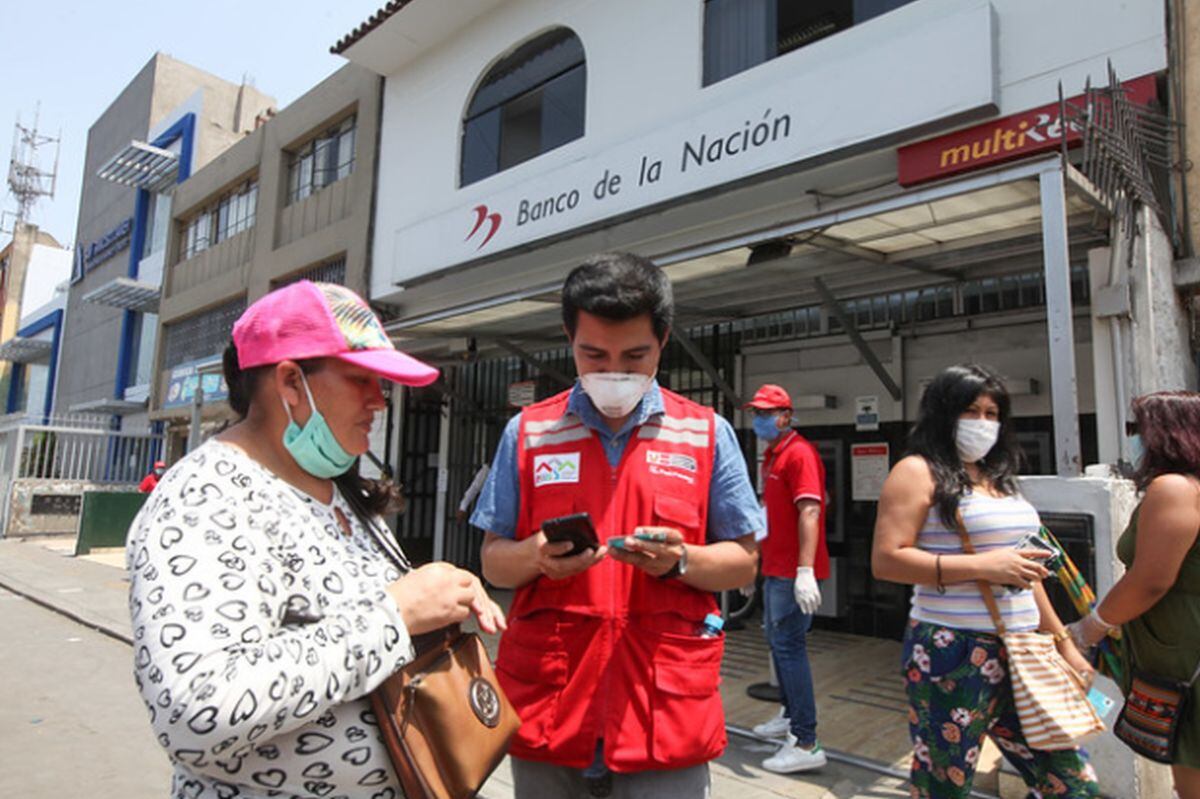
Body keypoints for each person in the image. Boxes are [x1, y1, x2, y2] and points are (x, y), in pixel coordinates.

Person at [125, 280, 506, 799]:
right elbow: (197, 712)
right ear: (290, 382)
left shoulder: (336, 487)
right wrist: (393, 618)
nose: (380, 402)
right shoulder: (204, 499)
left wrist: (436, 594)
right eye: (362, 381)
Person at [471, 252, 764, 798]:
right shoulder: (528, 432)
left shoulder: (706, 433)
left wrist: (682, 561)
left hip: (664, 712)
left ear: (663, 340)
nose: (614, 372)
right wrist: (536, 555)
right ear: (568, 336)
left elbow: (744, 562)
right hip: (551, 706)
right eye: (593, 354)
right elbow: (494, 562)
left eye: (635, 356)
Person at [872, 363, 1099, 799]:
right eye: (971, 411)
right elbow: (887, 560)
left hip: (1023, 649)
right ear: (943, 413)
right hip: (950, 650)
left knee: (1072, 783)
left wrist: (1065, 644)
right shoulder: (917, 471)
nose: (983, 423)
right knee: (945, 783)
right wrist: (984, 566)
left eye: (992, 413)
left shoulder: (999, 479)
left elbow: (1025, 570)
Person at [1067, 391, 1200, 798]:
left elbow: (1150, 580)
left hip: (1187, 660)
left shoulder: (1174, 489)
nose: (1132, 438)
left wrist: (1091, 627)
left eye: (1135, 428)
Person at [745, 384, 829, 773]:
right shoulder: (772, 456)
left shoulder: (799, 454)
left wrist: (805, 571)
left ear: (786, 415)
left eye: (767, 413)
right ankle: (788, 715)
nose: (760, 419)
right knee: (779, 647)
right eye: (756, 413)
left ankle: (806, 741)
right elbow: (769, 514)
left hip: (792, 574)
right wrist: (754, 561)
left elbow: (810, 512)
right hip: (775, 569)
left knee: (789, 649)